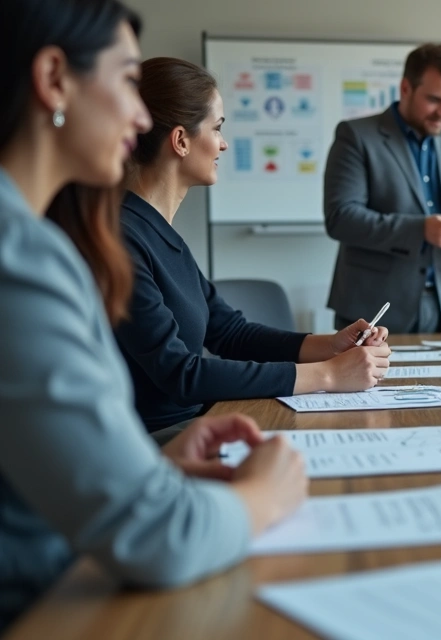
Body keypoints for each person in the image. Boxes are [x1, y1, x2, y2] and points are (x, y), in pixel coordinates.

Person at [0, 0, 306, 631]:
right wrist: (261, 497)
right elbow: (159, 538)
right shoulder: (21, 258)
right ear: (55, 78)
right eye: (125, 81)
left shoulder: (41, 242)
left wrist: (153, 465)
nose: (140, 116)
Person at [64, 57, 390, 434]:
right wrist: (327, 376)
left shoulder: (158, 232)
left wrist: (331, 346)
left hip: (194, 426)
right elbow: (181, 374)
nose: (223, 143)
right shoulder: (122, 238)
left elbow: (231, 334)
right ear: (181, 141)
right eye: (217, 128)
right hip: (158, 441)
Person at [324, 43, 441, 334]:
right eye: (434, 99)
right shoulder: (356, 136)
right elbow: (341, 218)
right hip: (372, 310)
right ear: (406, 88)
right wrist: (420, 230)